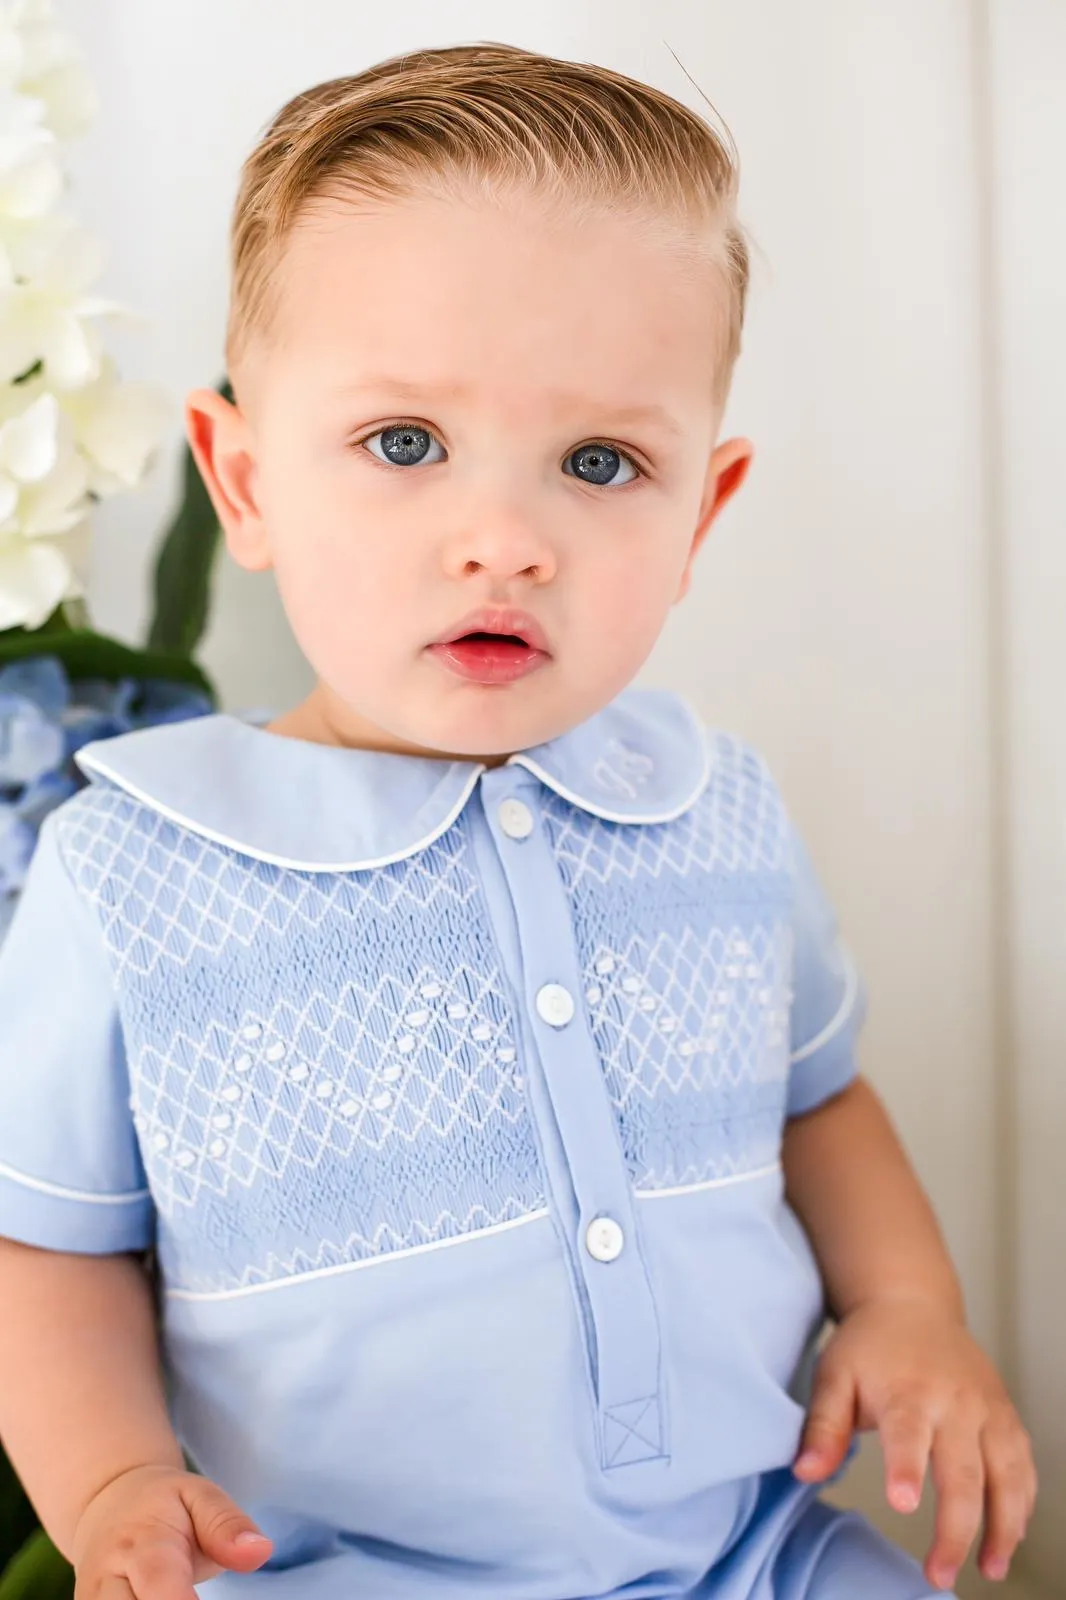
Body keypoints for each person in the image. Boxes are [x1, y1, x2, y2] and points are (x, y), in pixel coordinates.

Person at [0, 42, 1035, 1600]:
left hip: (749, 1553)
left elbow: (818, 1101)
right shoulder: (135, 870)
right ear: (247, 477)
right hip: (331, 1572)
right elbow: (47, 1246)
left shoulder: (713, 809)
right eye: (403, 444)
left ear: (700, 511)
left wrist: (903, 1307)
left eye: (600, 463)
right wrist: (117, 1485)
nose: (506, 541)